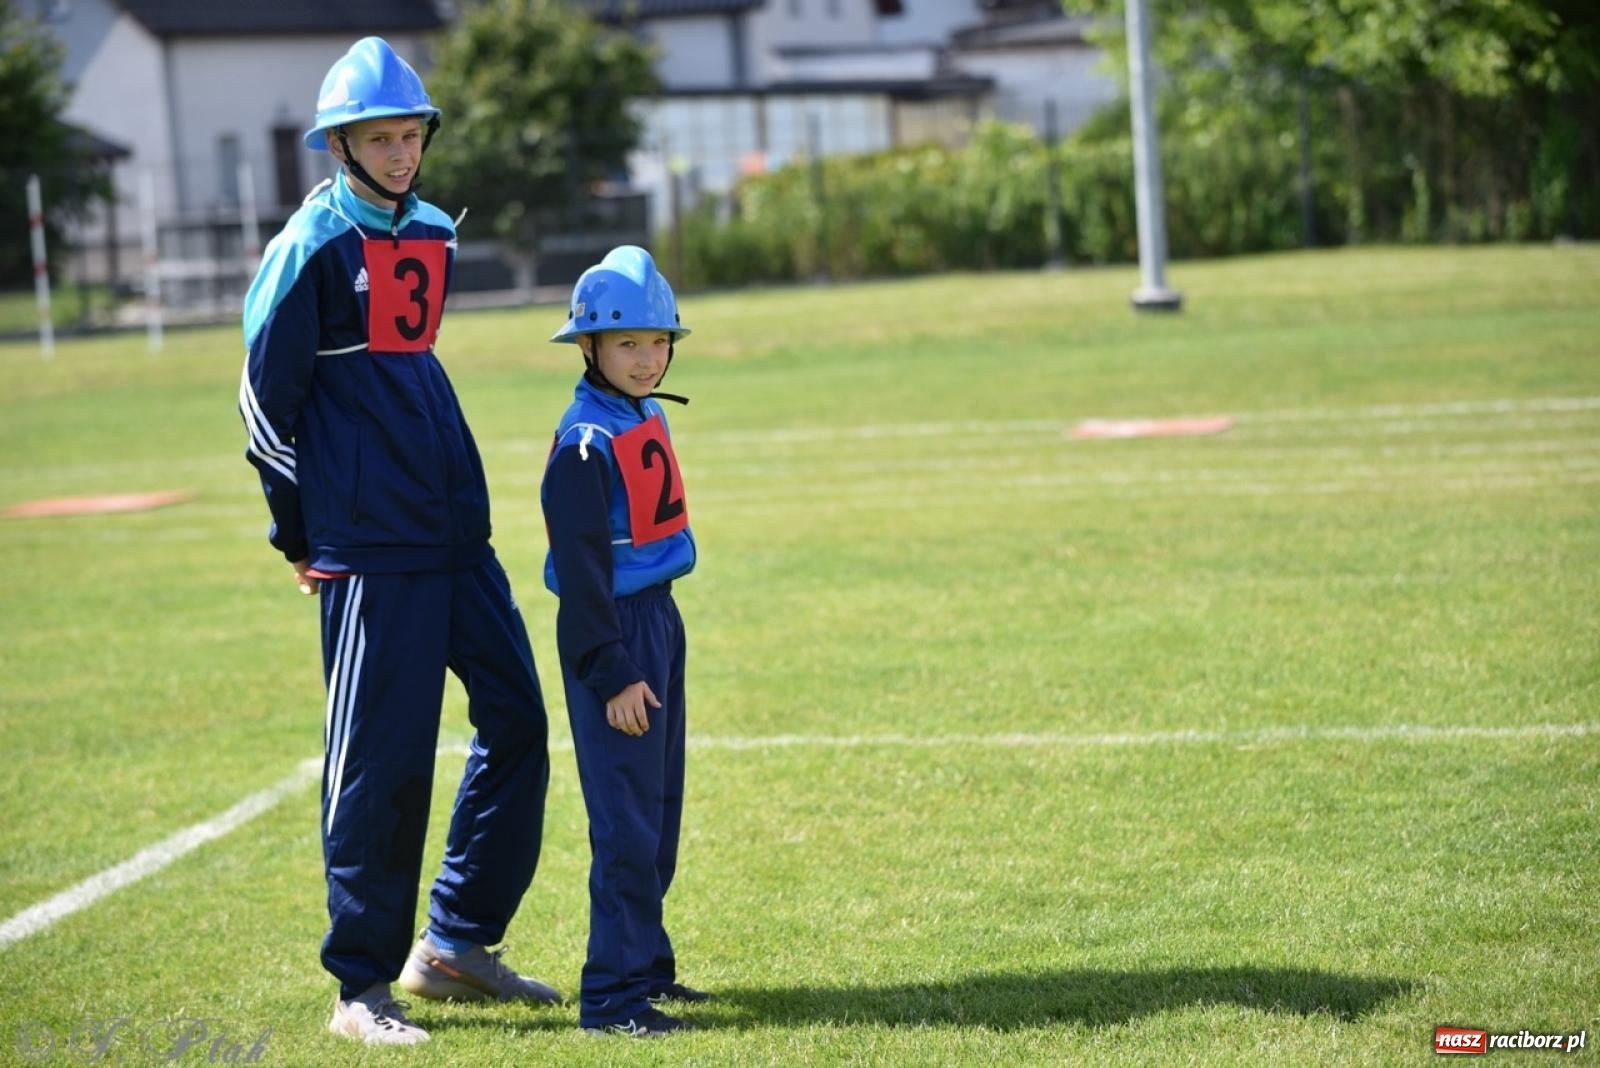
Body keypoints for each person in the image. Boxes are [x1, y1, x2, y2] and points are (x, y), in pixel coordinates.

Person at [237, 37, 559, 1046]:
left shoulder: (429, 229)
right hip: (370, 548)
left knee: (518, 725)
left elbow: (405, 369)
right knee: (383, 766)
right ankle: (358, 989)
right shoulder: (310, 246)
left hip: (457, 532)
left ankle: (456, 944)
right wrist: (301, 533)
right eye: (380, 138)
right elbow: (264, 407)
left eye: (411, 134)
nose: (400, 153)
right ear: (341, 144)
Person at [541, 246, 714, 1038]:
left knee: (660, 809)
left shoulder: (644, 412)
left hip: (658, 622)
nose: (647, 359)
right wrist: (610, 671)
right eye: (627, 344)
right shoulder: (584, 442)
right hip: (613, 635)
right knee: (626, 824)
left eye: (657, 342)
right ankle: (610, 1000)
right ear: (589, 348)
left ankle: (646, 968)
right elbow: (579, 575)